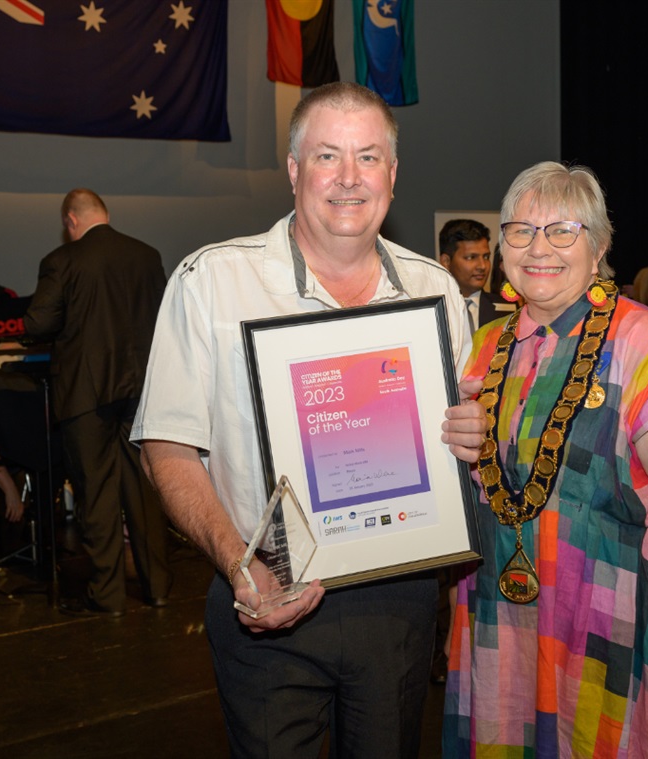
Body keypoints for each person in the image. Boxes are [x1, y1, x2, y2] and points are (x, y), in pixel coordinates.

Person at [132, 82, 486, 759]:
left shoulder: (435, 291)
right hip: (264, 597)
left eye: (369, 157)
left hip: (398, 598)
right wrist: (240, 566)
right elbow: (167, 446)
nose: (350, 178)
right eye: (328, 155)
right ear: (294, 170)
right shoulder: (211, 281)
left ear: (393, 173)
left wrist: (472, 437)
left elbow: (453, 441)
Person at [444, 161, 648, 758]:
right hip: (505, 634)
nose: (539, 248)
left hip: (617, 636)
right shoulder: (483, 348)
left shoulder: (647, 344)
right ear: (502, 247)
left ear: (600, 244)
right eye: (520, 231)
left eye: (563, 230)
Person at [24, 188, 171, 616]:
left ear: (71, 221)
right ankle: (157, 587)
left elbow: (39, 321)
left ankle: (108, 596)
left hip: (86, 395)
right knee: (144, 491)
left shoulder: (61, 261)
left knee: (97, 494)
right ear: (104, 214)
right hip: (142, 392)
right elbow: (163, 317)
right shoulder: (147, 255)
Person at [438, 218, 516, 331]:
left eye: (486, 257)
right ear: (446, 262)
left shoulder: (508, 310)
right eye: (471, 257)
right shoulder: (432, 310)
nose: (482, 266)